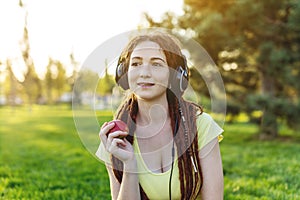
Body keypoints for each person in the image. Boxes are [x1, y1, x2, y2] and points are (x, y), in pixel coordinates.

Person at [96, 31, 224, 200]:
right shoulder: (115, 137)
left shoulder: (201, 125)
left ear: (176, 74)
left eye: (156, 64)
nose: (144, 73)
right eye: (135, 64)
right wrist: (129, 164)